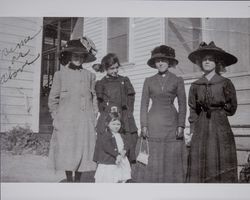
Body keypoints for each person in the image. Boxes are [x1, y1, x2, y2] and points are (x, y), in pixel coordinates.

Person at [186, 41, 238, 183]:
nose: (207, 62)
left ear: (217, 62)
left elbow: (232, 107)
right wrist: (192, 129)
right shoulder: (196, 85)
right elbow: (193, 109)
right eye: (204, 59)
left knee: (219, 155)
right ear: (200, 62)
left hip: (220, 126)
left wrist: (218, 113)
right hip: (201, 127)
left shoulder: (225, 83)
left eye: (210, 59)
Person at [48, 37, 98, 182]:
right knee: (67, 152)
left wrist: (93, 116)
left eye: (81, 56)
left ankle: (78, 181)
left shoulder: (90, 76)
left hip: (84, 122)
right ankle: (69, 180)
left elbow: (93, 98)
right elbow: (53, 100)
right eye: (75, 55)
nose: (78, 58)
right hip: (66, 121)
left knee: (83, 152)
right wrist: (56, 118)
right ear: (69, 56)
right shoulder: (60, 75)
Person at [136, 45, 187, 183]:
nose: (160, 63)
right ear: (154, 63)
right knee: (153, 156)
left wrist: (181, 125)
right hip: (153, 123)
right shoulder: (148, 81)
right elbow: (143, 104)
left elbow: (182, 104)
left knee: (170, 156)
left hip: (172, 123)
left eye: (163, 60)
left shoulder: (177, 80)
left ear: (169, 62)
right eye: (158, 61)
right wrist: (144, 125)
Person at [92, 53, 138, 164]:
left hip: (124, 117)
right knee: (108, 145)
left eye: (117, 67)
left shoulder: (124, 81)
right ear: (105, 68)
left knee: (126, 143)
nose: (115, 71)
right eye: (112, 68)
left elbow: (130, 99)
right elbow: (100, 104)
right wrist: (107, 118)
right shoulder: (101, 83)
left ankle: (125, 172)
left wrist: (128, 113)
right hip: (109, 118)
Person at [94, 107, 132, 183]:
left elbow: (127, 144)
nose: (116, 126)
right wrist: (116, 155)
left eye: (118, 124)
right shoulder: (106, 135)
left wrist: (124, 150)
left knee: (119, 178)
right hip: (109, 162)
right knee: (109, 179)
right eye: (113, 124)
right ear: (107, 124)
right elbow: (107, 147)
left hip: (120, 162)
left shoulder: (121, 135)